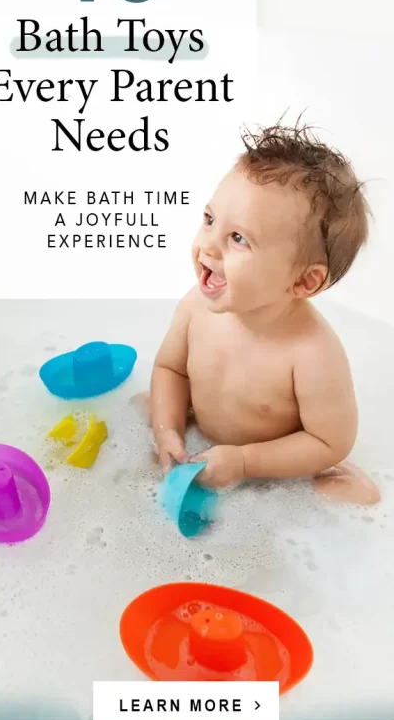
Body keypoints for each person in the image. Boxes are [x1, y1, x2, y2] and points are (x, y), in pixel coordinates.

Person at [149, 120, 379, 503]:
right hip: (205, 446)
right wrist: (167, 429)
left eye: (238, 238)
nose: (209, 247)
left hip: (272, 465)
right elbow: (170, 369)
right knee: (144, 410)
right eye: (209, 220)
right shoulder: (195, 306)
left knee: (358, 495)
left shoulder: (311, 352)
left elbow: (330, 441)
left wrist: (243, 461)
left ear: (304, 283)